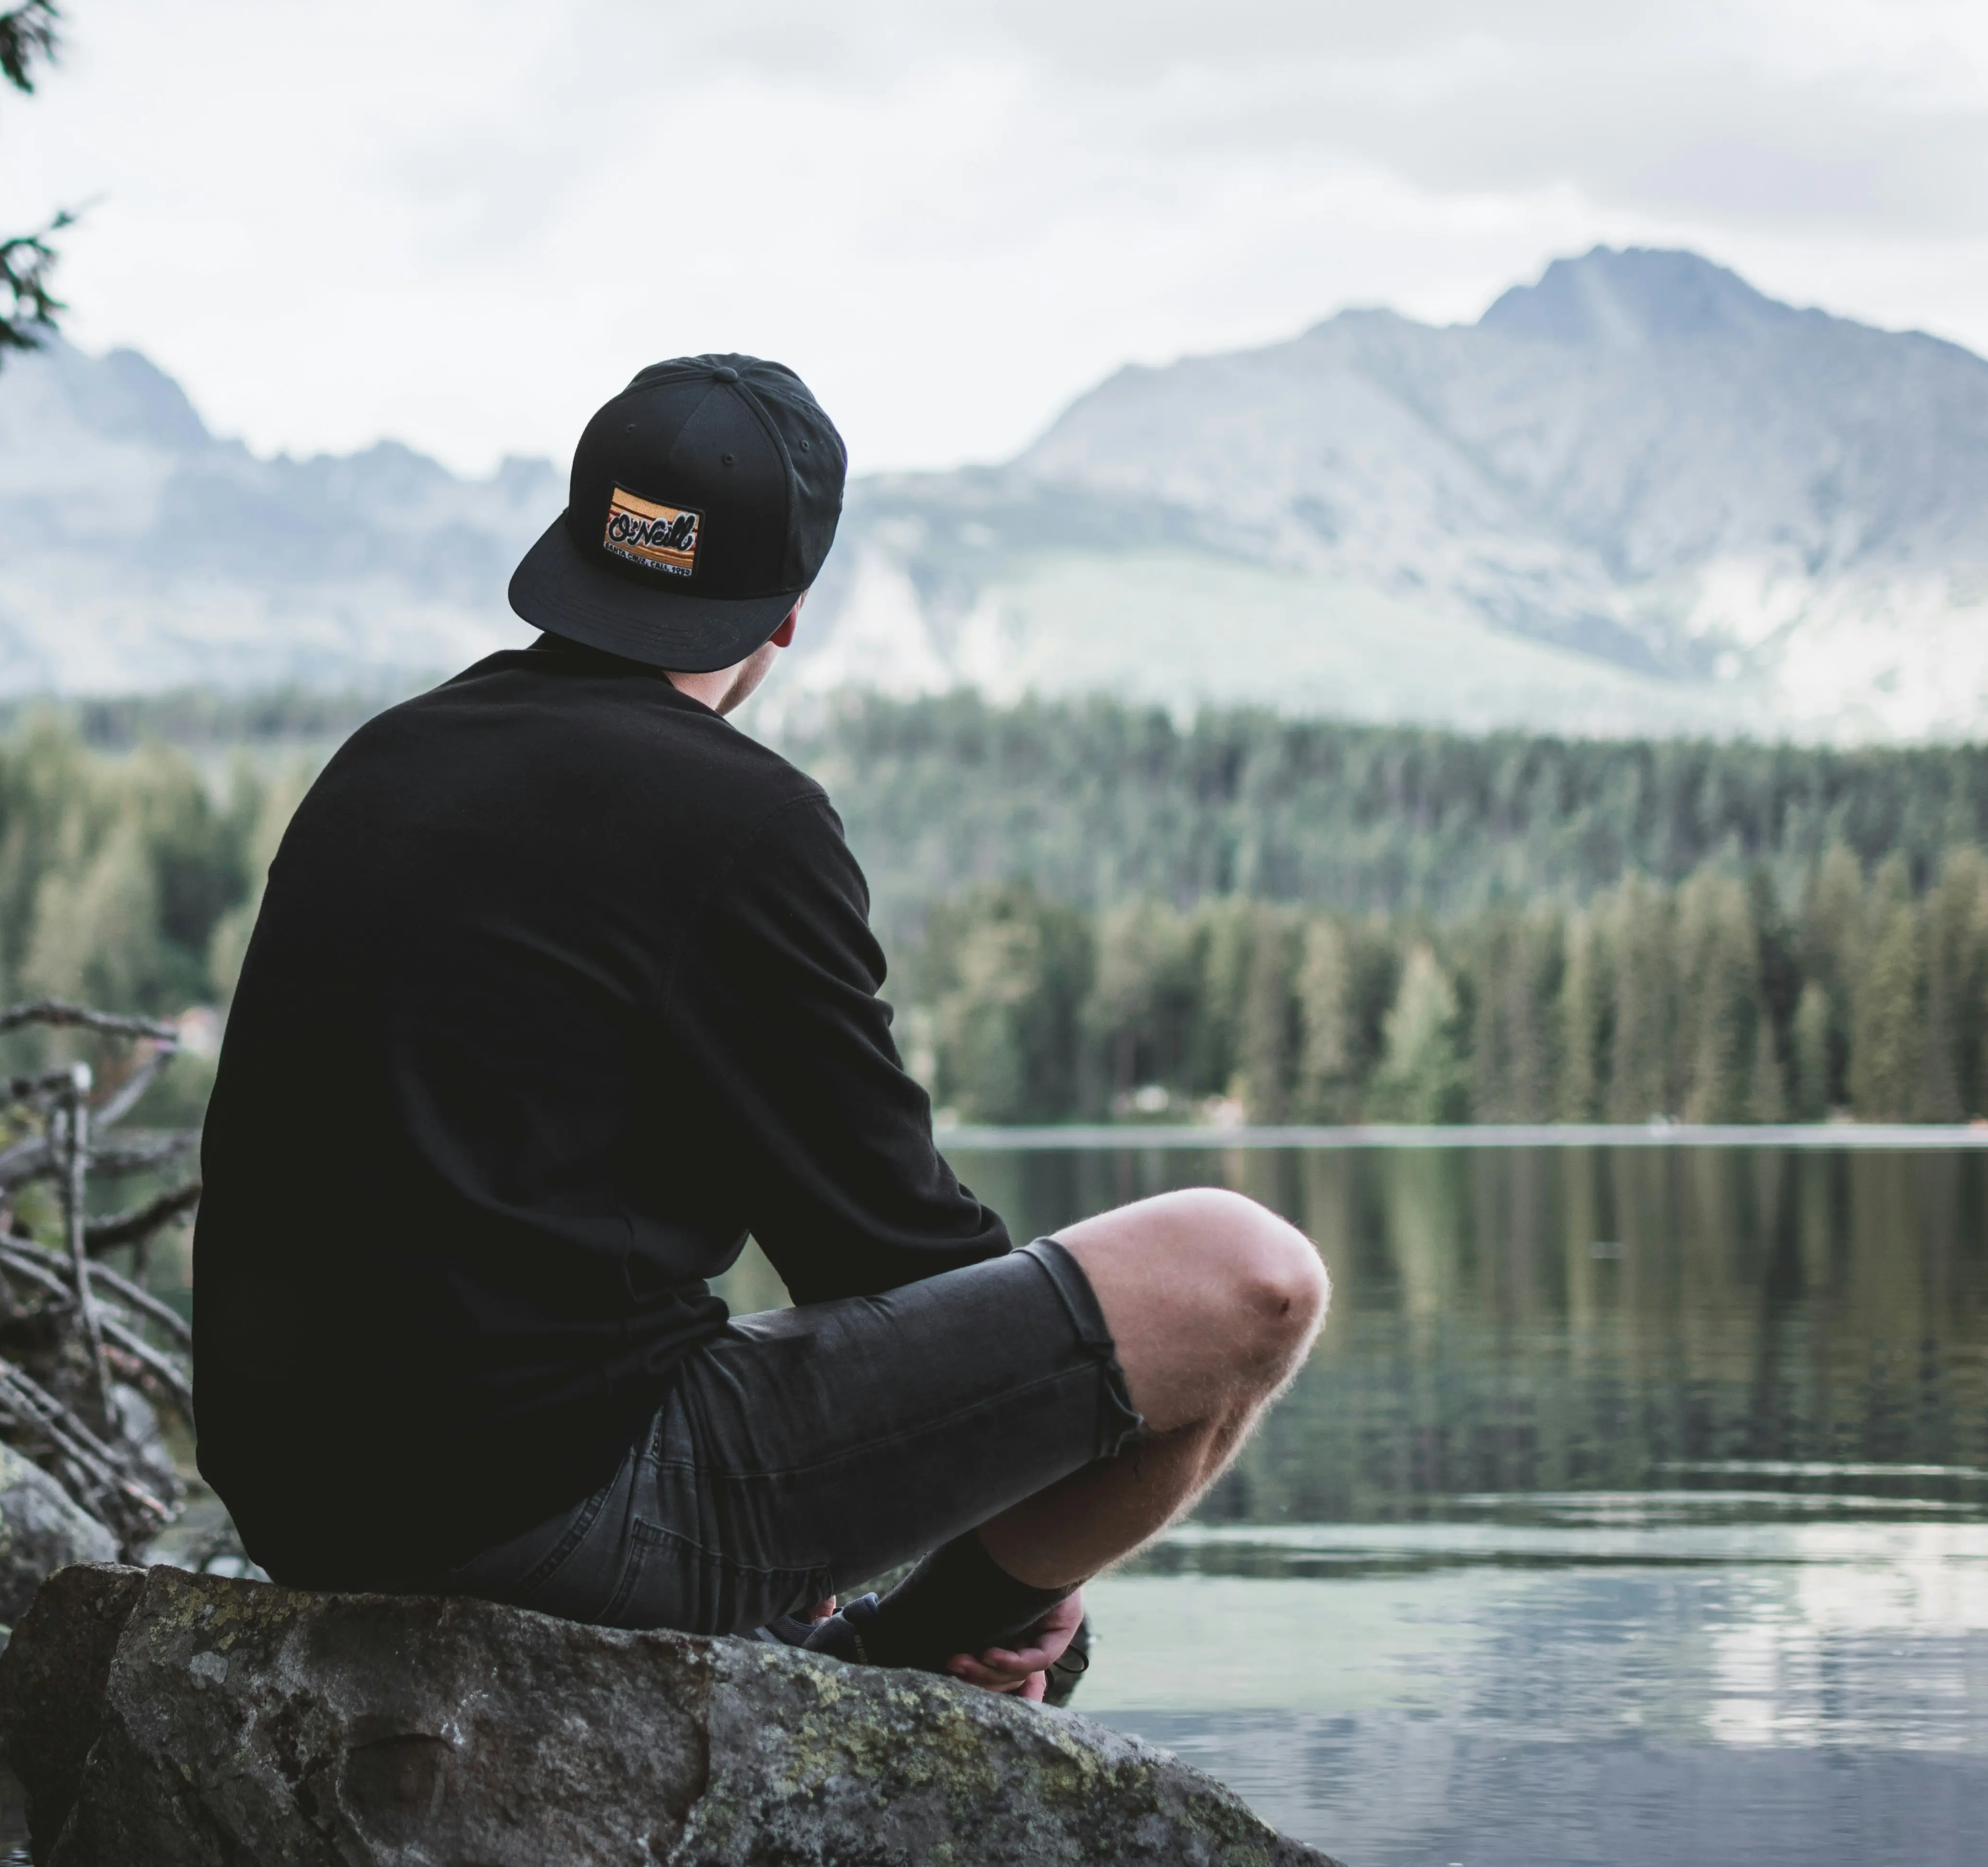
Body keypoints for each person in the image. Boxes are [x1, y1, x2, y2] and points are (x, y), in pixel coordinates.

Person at [192, 353, 1327, 1700]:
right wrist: (1041, 1493)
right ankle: (934, 1653)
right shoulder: (742, 819)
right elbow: (885, 1249)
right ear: (784, 618)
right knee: (1245, 1274)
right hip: (533, 1517)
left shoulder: (381, 760)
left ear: (573, 546)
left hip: (299, 1503)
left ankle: (881, 1642)